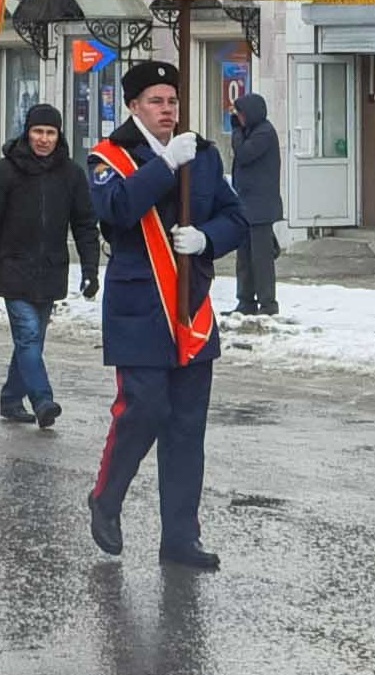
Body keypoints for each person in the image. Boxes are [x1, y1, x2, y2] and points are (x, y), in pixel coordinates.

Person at [83, 54, 245, 568]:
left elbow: (237, 216)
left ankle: (180, 537)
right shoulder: (108, 157)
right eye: (156, 101)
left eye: (173, 100)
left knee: (186, 429)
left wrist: (208, 238)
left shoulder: (203, 153)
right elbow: (117, 211)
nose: (167, 109)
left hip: (190, 309)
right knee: (144, 411)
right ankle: (106, 499)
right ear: (133, 106)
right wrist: (166, 165)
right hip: (139, 309)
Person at [0, 102, 95, 426]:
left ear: (59, 136)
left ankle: (11, 400)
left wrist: (90, 270)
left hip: (51, 270)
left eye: (50, 132)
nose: (43, 139)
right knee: (27, 337)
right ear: (27, 133)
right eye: (38, 131)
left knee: (33, 340)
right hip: (13, 269)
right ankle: (42, 400)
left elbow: (84, 224)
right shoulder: (5, 171)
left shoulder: (71, 174)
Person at [226, 76, 286, 316]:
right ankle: (245, 301)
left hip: (260, 207)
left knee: (261, 260)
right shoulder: (251, 130)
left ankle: (267, 303)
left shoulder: (263, 133)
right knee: (244, 258)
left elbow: (244, 154)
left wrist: (237, 131)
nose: (238, 118)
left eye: (241, 114)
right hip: (245, 205)